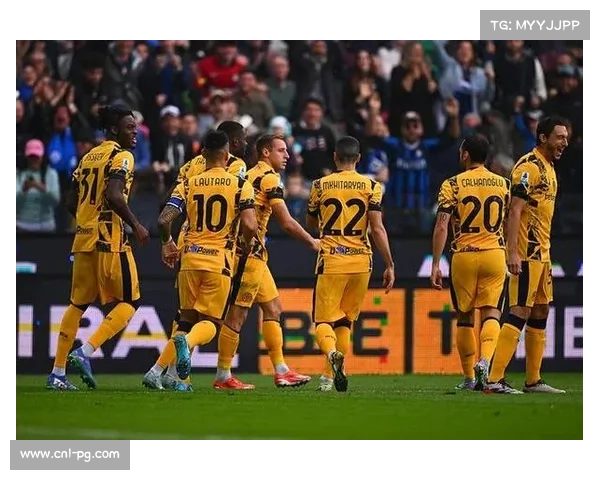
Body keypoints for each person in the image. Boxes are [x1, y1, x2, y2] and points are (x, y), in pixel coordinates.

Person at [46, 104, 149, 390]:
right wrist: (136, 225)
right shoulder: (122, 156)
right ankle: (86, 351)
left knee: (77, 304)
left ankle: (57, 373)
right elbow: (115, 195)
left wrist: (87, 219)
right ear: (114, 129)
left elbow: (70, 201)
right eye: (130, 127)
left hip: (83, 238)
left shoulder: (88, 157)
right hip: (109, 240)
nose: (135, 133)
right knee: (130, 302)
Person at [142, 121, 248, 390]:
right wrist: (246, 244)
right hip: (219, 260)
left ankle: (163, 373)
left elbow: (164, 219)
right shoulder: (239, 182)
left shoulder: (189, 181)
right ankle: (185, 345)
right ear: (227, 153)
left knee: (185, 319)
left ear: (203, 153)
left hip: (189, 255)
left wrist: (166, 242)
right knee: (211, 323)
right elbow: (249, 224)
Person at [213, 133, 318, 389]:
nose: (287, 155)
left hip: (254, 256)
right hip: (248, 256)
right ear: (266, 152)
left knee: (274, 309)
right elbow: (286, 222)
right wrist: (312, 242)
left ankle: (281, 371)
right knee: (237, 316)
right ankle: (223, 375)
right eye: (281, 150)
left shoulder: (248, 175)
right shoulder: (269, 178)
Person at [485, 116, 569, 394]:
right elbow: (515, 210)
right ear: (543, 138)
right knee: (520, 309)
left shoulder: (549, 168)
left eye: (566, 137)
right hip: (526, 252)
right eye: (559, 137)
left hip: (543, 254)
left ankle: (533, 380)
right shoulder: (527, 167)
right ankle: (494, 379)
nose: (565, 142)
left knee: (541, 309)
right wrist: (512, 252)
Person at [306, 136, 395, 392]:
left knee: (323, 322)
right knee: (345, 321)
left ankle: (331, 354)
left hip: (332, 260)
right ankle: (328, 377)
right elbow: (377, 229)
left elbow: (310, 224)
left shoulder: (320, 185)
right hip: (361, 262)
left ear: (335, 157)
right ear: (359, 159)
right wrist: (389, 263)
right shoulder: (372, 186)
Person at [431, 134, 509, 391]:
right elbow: (510, 222)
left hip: (464, 254)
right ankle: (484, 361)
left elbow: (442, 226)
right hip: (494, 254)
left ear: (465, 155)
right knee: (492, 312)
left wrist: (436, 263)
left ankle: (468, 378)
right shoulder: (503, 184)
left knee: (465, 316)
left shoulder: (452, 184)